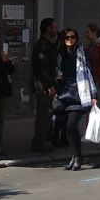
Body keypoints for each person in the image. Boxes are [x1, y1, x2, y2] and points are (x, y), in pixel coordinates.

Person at [53, 27, 98, 170]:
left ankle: (78, 156)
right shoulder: (60, 54)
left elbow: (90, 73)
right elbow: (57, 73)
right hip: (64, 93)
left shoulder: (82, 53)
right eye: (67, 38)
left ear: (76, 39)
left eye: (72, 37)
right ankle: (73, 156)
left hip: (80, 93)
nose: (70, 40)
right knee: (66, 127)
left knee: (71, 125)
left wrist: (94, 95)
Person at [30, 17, 59, 151]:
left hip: (46, 84)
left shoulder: (48, 44)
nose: (56, 30)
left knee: (47, 114)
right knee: (43, 114)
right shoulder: (42, 45)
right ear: (48, 29)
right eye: (54, 27)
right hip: (43, 86)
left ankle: (45, 140)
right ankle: (39, 143)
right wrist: (49, 87)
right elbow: (43, 69)